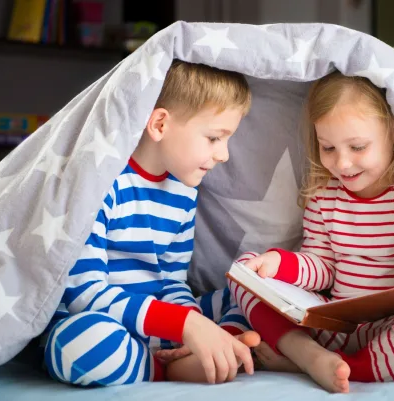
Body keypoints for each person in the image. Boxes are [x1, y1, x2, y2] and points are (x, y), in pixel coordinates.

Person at [229, 71, 394, 393]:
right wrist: (278, 264)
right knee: (246, 270)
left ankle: (341, 367)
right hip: (333, 325)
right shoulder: (324, 197)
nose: (342, 164)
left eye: (357, 147)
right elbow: (323, 267)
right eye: (327, 148)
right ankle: (307, 355)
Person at [42, 59, 260, 388]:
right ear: (160, 124)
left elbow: (171, 282)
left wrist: (195, 324)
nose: (224, 155)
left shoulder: (184, 190)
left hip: (163, 322)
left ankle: (215, 350)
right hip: (100, 319)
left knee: (248, 295)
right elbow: (82, 293)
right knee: (82, 344)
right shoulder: (100, 182)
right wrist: (185, 325)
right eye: (215, 138)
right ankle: (165, 369)